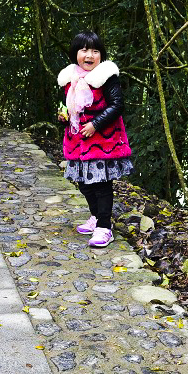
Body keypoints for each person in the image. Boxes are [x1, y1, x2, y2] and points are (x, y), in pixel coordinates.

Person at [57, 31, 133, 247]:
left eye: (95, 51)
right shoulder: (69, 78)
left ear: (101, 55)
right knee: (83, 184)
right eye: (84, 50)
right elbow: (67, 106)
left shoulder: (107, 77)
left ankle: (104, 226)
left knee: (101, 184)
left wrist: (96, 124)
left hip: (103, 141)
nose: (89, 55)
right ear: (75, 53)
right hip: (77, 140)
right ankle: (95, 217)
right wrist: (63, 116)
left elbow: (117, 105)